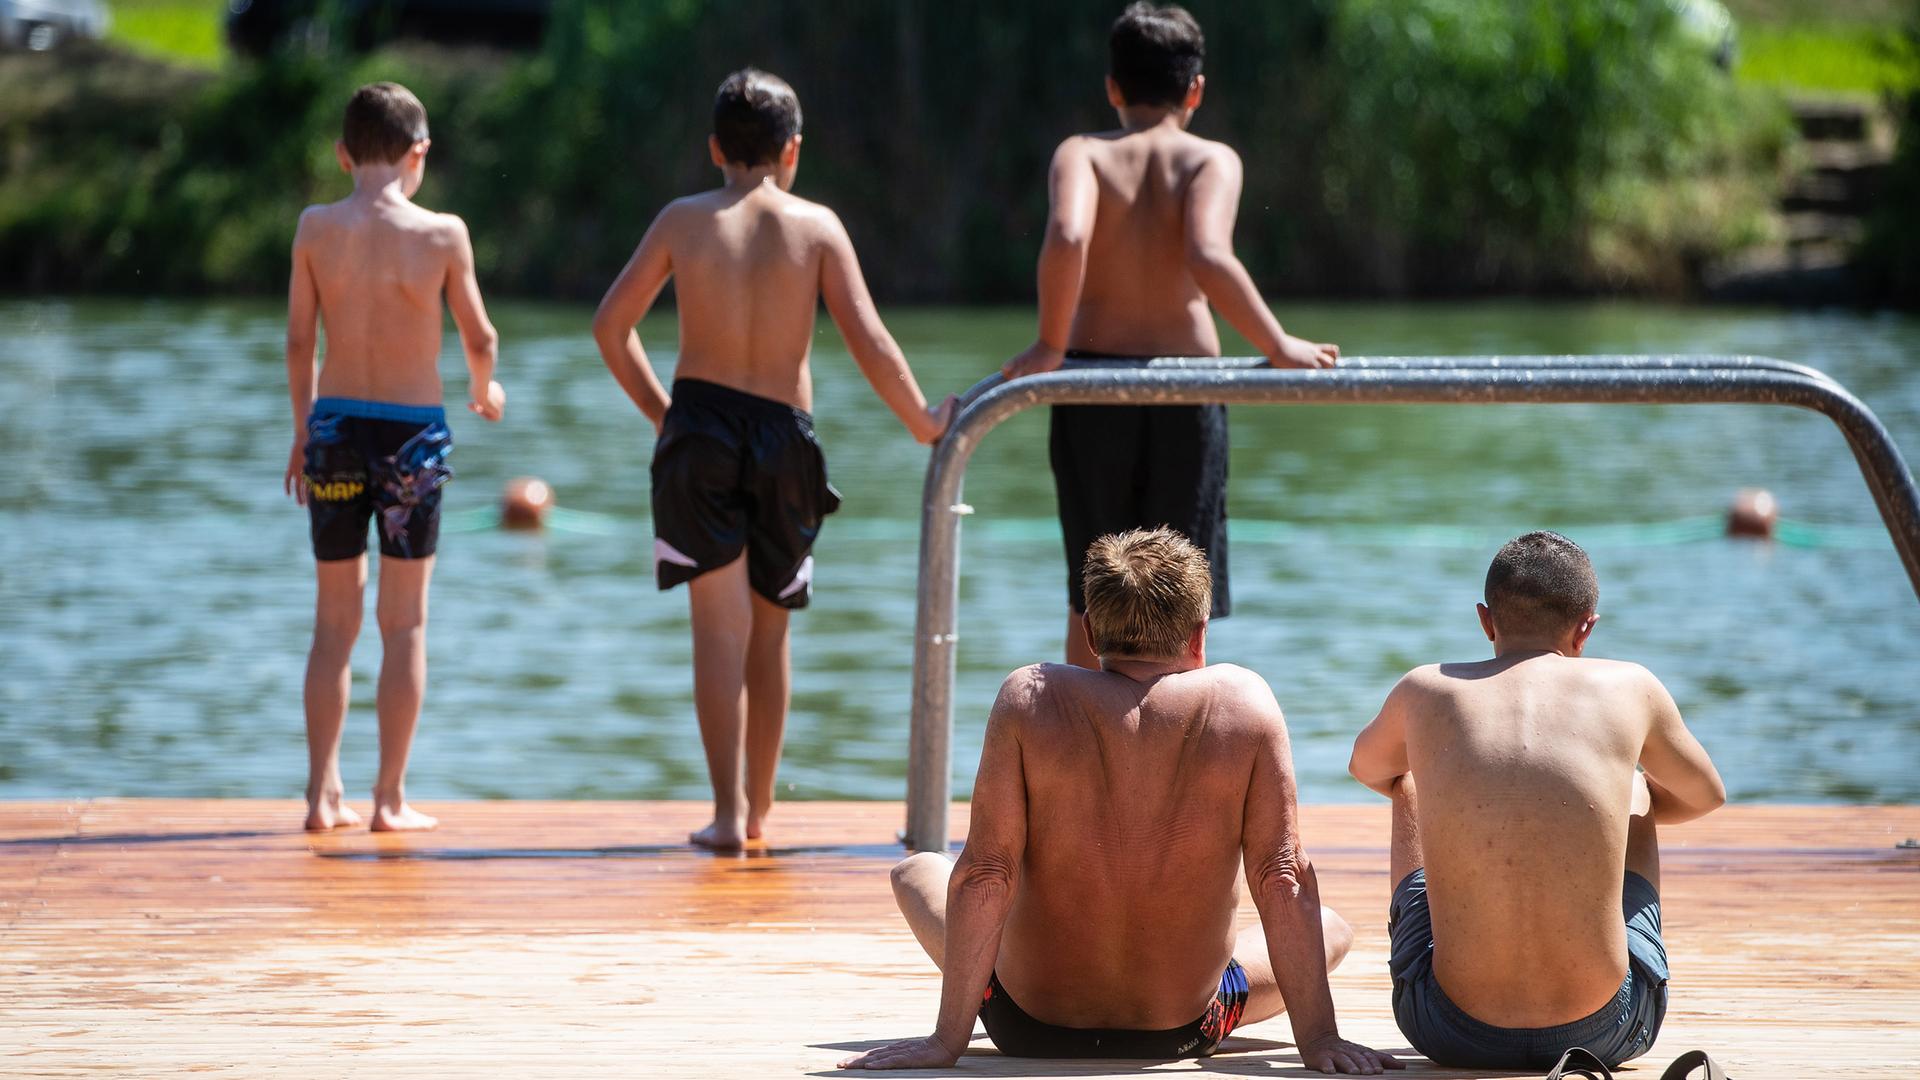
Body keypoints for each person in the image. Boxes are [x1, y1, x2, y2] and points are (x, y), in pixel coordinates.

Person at [842, 528, 1397, 1074]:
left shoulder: (1028, 698)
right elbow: (1283, 879)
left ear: (1088, 631)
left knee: (917, 870)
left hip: (1024, 1022)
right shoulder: (1245, 704)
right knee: (1331, 927)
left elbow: (987, 874)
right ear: (1198, 636)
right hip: (1183, 1029)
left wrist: (947, 1040)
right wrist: (1319, 1038)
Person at [592, 68, 955, 851]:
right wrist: (924, 422)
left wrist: (664, 415)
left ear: (715, 148)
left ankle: (725, 817)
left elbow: (609, 327)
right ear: (792, 150)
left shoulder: (682, 221)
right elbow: (869, 339)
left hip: (699, 430)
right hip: (787, 436)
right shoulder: (817, 227)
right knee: (771, 634)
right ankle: (761, 812)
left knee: (715, 635)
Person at [1001, 2, 1341, 670]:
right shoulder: (1211, 159)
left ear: (1113, 88)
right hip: (1187, 387)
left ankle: (1081, 751)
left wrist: (1047, 343)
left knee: (1090, 589)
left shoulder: (1084, 153)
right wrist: (1277, 345)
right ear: (1196, 90)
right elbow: (1208, 254)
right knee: (1182, 595)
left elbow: (1068, 236)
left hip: (1092, 384)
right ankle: (1178, 756)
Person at [1348, 531, 1726, 1070]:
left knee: (1407, 783)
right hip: (1608, 1029)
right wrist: (1615, 798)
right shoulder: (1630, 686)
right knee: (1637, 788)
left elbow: (1367, 768)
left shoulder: (1425, 688)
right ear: (1586, 626)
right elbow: (1706, 794)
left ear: (1486, 620)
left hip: (1447, 1027)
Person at [285, 82, 506, 833]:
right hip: (411, 438)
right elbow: (480, 337)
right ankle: (387, 799)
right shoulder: (443, 233)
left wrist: (302, 431)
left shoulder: (315, 228)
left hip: (336, 429)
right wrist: (485, 388)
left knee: (332, 624)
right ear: (420, 154)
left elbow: (298, 342)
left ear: (343, 154)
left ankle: (320, 796)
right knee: (404, 624)